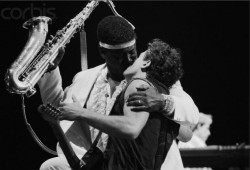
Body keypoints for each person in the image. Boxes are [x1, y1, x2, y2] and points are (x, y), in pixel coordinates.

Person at [38, 15, 199, 170]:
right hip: (104, 163)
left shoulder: (153, 78)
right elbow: (60, 110)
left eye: (132, 52)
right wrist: (49, 69)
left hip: (152, 165)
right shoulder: (85, 79)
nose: (129, 59)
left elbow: (190, 117)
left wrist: (162, 101)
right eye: (120, 56)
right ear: (103, 53)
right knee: (51, 166)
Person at [56, 38, 187, 170]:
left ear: (146, 63)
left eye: (139, 57)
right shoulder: (159, 94)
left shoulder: (139, 84)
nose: (131, 61)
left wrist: (81, 113)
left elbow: (131, 128)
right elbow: (186, 132)